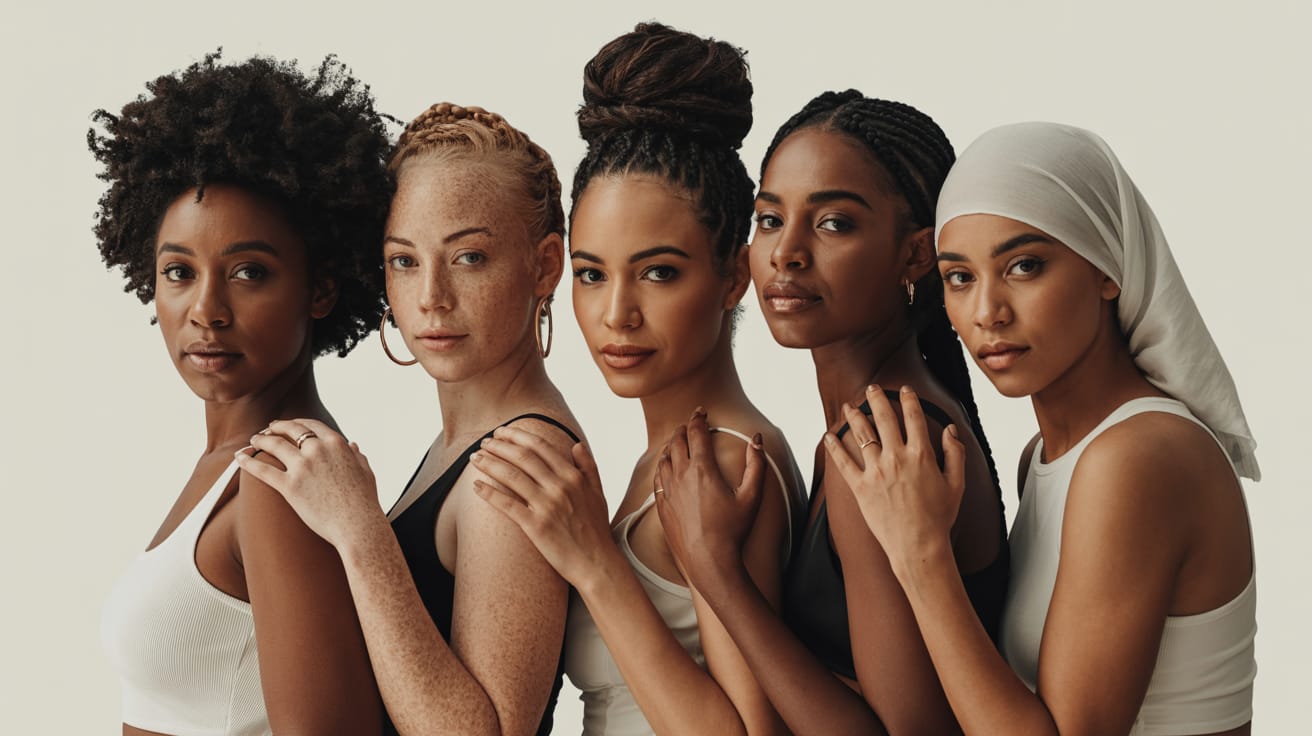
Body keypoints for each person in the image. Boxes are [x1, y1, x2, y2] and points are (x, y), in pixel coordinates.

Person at [826, 122, 1258, 735]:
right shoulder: (1046, 457)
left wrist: (919, 555)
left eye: (1024, 266)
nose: (987, 312)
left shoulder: (1138, 456)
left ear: (1107, 266)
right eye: (960, 277)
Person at [469, 22, 805, 736]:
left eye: (658, 272)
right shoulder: (671, 455)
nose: (616, 314)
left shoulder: (722, 460)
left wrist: (595, 563)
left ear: (734, 276)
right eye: (591, 274)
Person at [654, 90, 1010, 734]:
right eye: (769, 219)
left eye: (834, 223)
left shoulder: (883, 444)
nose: (786, 252)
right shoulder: (879, 422)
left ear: (916, 254)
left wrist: (718, 574)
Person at [237, 103, 581, 736]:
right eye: (404, 260)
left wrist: (361, 531)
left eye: (469, 258)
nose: (431, 298)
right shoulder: (471, 442)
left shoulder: (515, 463)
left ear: (545, 265)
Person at [93, 52, 393, 735]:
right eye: (179, 271)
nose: (206, 311)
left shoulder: (284, 479)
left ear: (321, 287)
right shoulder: (236, 460)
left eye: (249, 272)